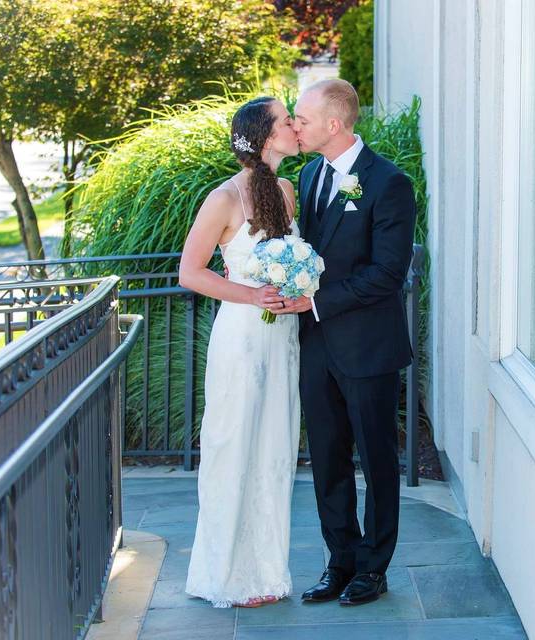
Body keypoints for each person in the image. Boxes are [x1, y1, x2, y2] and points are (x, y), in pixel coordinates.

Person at [270, 79, 417, 606]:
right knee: (328, 459)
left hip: (368, 349)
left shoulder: (388, 183)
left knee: (377, 463)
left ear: (334, 124)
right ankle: (341, 561)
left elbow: (388, 274)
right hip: (317, 347)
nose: (295, 126)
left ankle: (374, 569)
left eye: (302, 119)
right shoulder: (309, 175)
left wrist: (313, 302)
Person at [179, 97, 302, 608]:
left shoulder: (288, 191)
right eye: (288, 121)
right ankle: (225, 575)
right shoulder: (223, 199)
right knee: (234, 450)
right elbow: (191, 272)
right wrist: (252, 294)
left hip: (283, 339)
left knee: (275, 451)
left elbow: (294, 259)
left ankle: (267, 573)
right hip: (242, 338)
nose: (296, 127)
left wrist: (299, 288)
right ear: (266, 136)